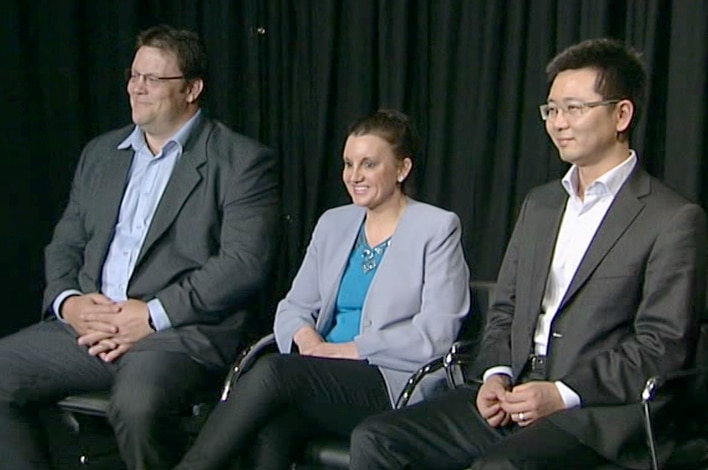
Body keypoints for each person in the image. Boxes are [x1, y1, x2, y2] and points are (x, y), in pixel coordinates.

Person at [349, 38, 708, 470]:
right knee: (378, 438)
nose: (558, 122)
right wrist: (495, 373)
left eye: (574, 108)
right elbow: (505, 311)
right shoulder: (540, 205)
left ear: (621, 114)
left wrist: (561, 393)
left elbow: (660, 346)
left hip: (594, 412)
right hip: (516, 388)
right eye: (551, 110)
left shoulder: (671, 218)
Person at [0, 24, 279, 470]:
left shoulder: (241, 161)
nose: (137, 88)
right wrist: (68, 303)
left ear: (192, 89)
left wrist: (151, 314)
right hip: (88, 326)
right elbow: (65, 244)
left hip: (176, 332)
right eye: (134, 76)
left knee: (137, 406)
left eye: (152, 79)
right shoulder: (101, 154)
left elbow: (243, 264)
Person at [172, 109, 471, 469]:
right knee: (274, 427)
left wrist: (347, 351)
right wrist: (311, 343)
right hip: (317, 376)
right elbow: (293, 306)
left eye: (368, 164)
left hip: (391, 381)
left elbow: (436, 334)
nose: (354, 176)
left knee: (274, 372)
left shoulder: (437, 228)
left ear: (402, 169)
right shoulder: (334, 223)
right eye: (348, 164)